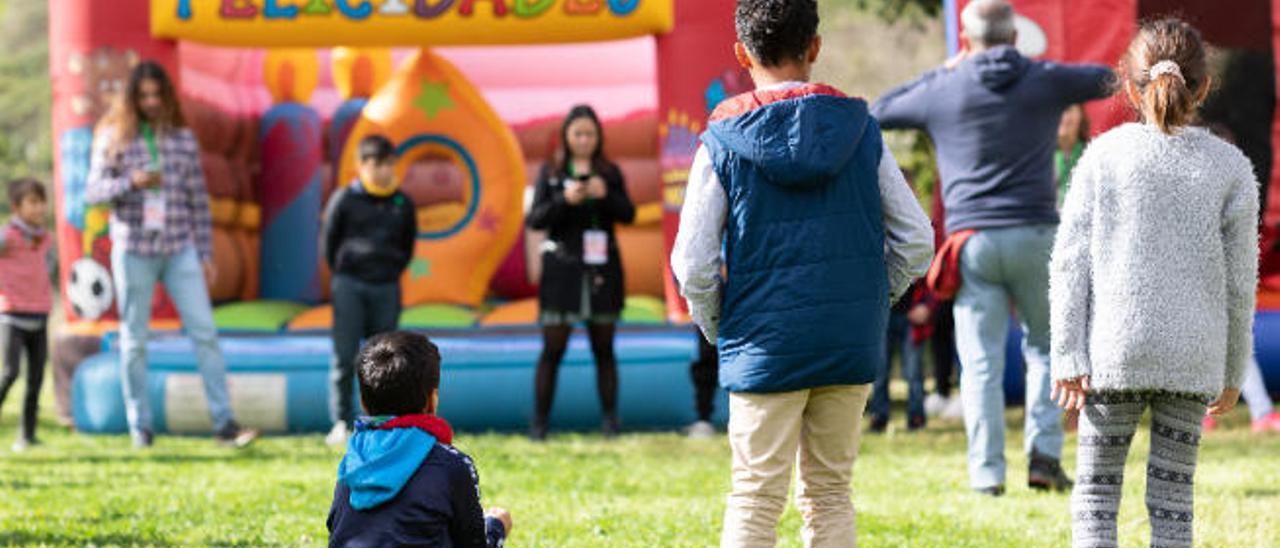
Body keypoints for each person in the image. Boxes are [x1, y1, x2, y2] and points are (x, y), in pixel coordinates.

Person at [672, 0, 934, 544]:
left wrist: (722, 326)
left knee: (756, 495)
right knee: (830, 492)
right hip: (847, 341)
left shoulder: (721, 141)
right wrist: (869, 299)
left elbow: (692, 264)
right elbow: (917, 240)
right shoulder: (861, 131)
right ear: (815, 47)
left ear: (741, 53)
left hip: (763, 342)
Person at [872, 0, 1113, 495]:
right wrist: (1045, 73)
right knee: (1048, 349)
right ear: (1014, 37)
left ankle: (987, 475)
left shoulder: (945, 87)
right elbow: (1106, 77)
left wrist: (945, 70)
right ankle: (1043, 458)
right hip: (1036, 237)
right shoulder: (1044, 78)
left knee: (979, 362)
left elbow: (881, 110)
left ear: (966, 40)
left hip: (972, 244)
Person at [1051, 18, 1257, 547]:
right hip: (1192, 357)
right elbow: (1240, 282)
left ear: (1129, 84)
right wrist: (1232, 369)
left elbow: (1070, 262)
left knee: (1096, 496)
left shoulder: (1102, 156)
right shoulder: (1231, 168)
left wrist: (1067, 354)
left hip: (1112, 353)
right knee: (1173, 505)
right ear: (1205, 86)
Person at [86, 62, 257, 449]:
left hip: (179, 247)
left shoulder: (181, 138)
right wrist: (131, 181)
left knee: (204, 333)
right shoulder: (113, 137)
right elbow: (93, 191)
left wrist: (206, 252)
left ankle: (224, 423)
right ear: (132, 99)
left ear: (166, 97)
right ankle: (140, 426)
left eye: (156, 95)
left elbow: (198, 200)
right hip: (134, 249)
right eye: (142, 96)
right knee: (135, 339)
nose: (150, 102)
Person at [327, 331, 512, 547]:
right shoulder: (451, 465)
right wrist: (496, 526)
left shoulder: (352, 463)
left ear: (363, 403)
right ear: (432, 401)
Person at [526, 105, 635, 440]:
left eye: (590, 133)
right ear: (567, 137)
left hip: (602, 272)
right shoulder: (551, 172)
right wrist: (564, 199)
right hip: (563, 273)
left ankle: (610, 422)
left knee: (604, 349)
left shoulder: (610, 172)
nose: (584, 140)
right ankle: (540, 424)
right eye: (578, 134)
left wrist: (606, 196)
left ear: (598, 136)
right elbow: (536, 219)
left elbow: (628, 214)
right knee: (552, 349)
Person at [320, 135, 417, 447]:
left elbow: (407, 246)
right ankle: (341, 421)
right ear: (362, 165)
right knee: (345, 355)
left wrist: (388, 271)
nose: (384, 171)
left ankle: (382, 422)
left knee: (385, 359)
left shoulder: (403, 203)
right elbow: (329, 243)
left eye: (389, 164)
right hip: (349, 285)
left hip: (386, 286)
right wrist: (347, 272)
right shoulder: (344, 199)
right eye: (377, 164)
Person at [0, 178, 53, 452]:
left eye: (41, 201)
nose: (38, 208)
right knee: (10, 373)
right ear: (17, 207)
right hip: (13, 315)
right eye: (32, 202)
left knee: (36, 379)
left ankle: (27, 435)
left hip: (40, 314)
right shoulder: (8, 236)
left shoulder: (44, 237)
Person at [868, 280, 931, 433]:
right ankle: (878, 417)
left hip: (912, 312)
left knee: (914, 372)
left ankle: (916, 418)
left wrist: (927, 305)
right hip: (883, 312)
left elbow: (931, 276)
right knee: (880, 370)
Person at [1055, 104, 1090, 205]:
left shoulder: (1091, 155)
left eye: (1068, 110)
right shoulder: (1039, 158)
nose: (1064, 116)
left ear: (1081, 114)